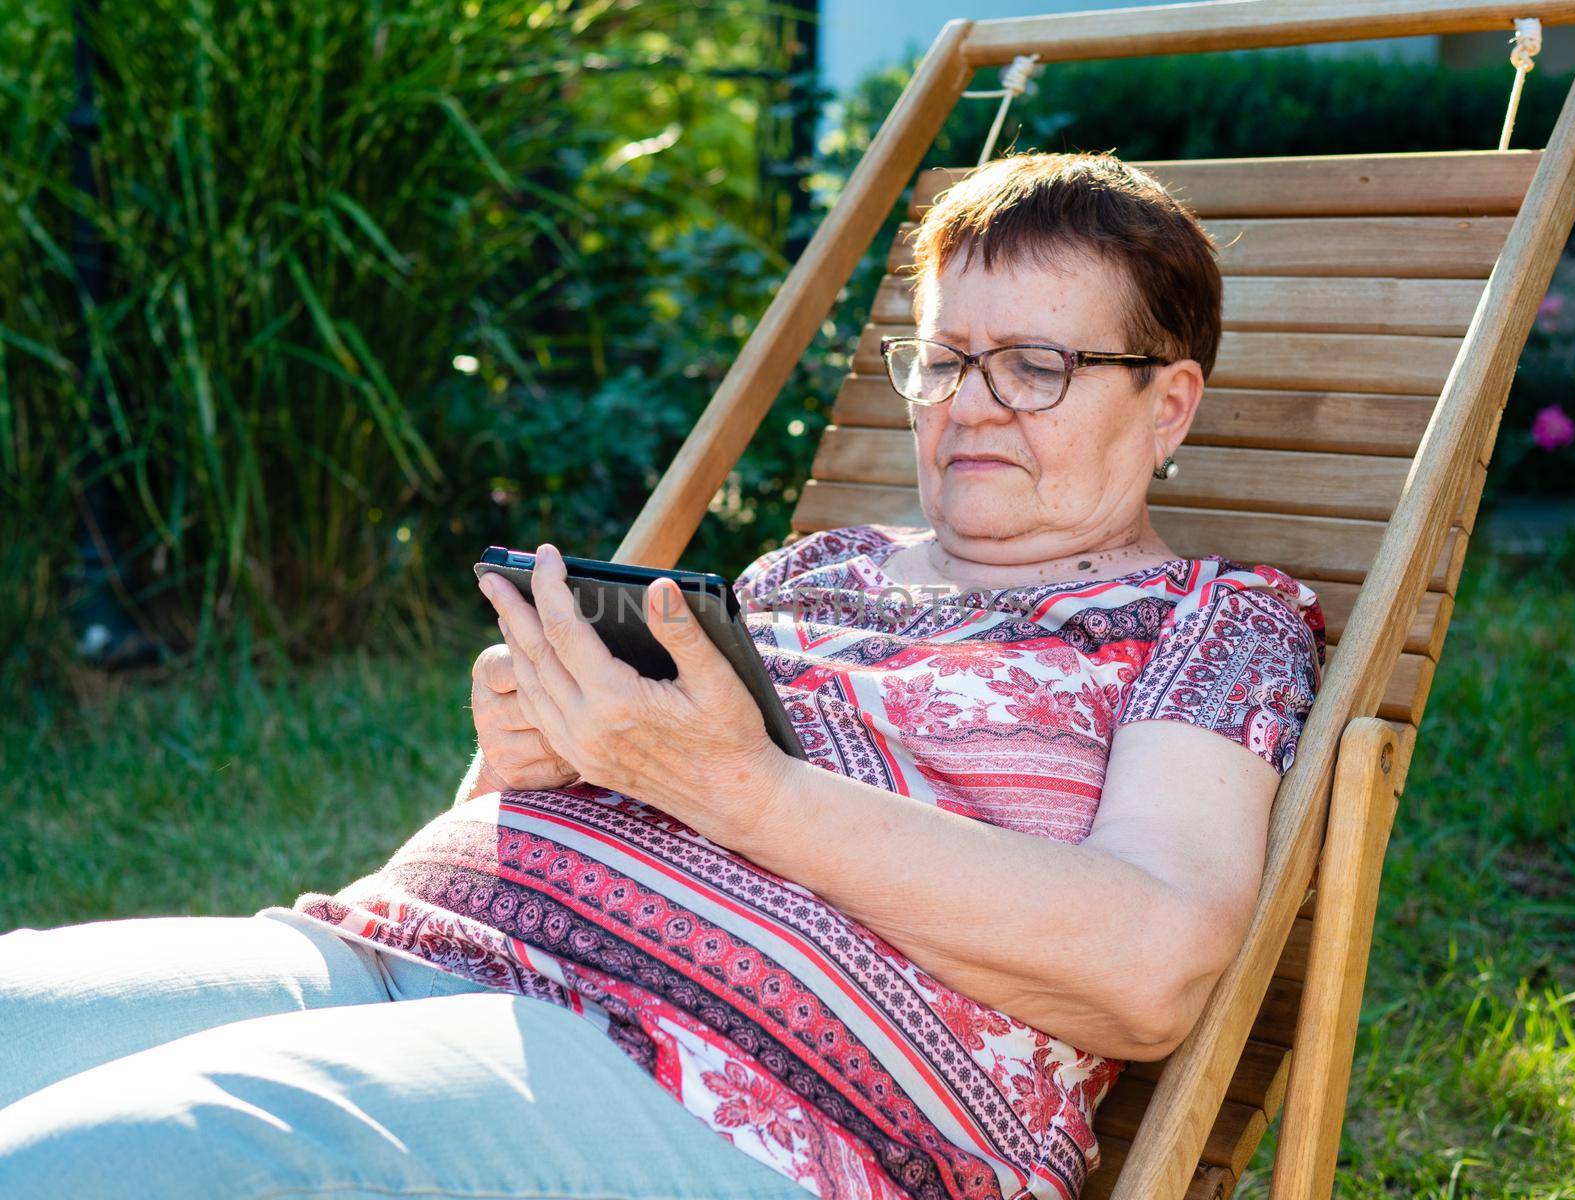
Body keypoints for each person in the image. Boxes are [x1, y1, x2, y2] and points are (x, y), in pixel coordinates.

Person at [0, 151, 1324, 1200]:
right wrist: (532, 750)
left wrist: (745, 795)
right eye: (943, 360)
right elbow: (570, 802)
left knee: (109, 1160)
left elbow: (1152, 964)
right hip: (409, 953)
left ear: (1169, 406)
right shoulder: (817, 569)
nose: (969, 404)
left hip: (731, 1099)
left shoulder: (1208, 625)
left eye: (1036, 366)